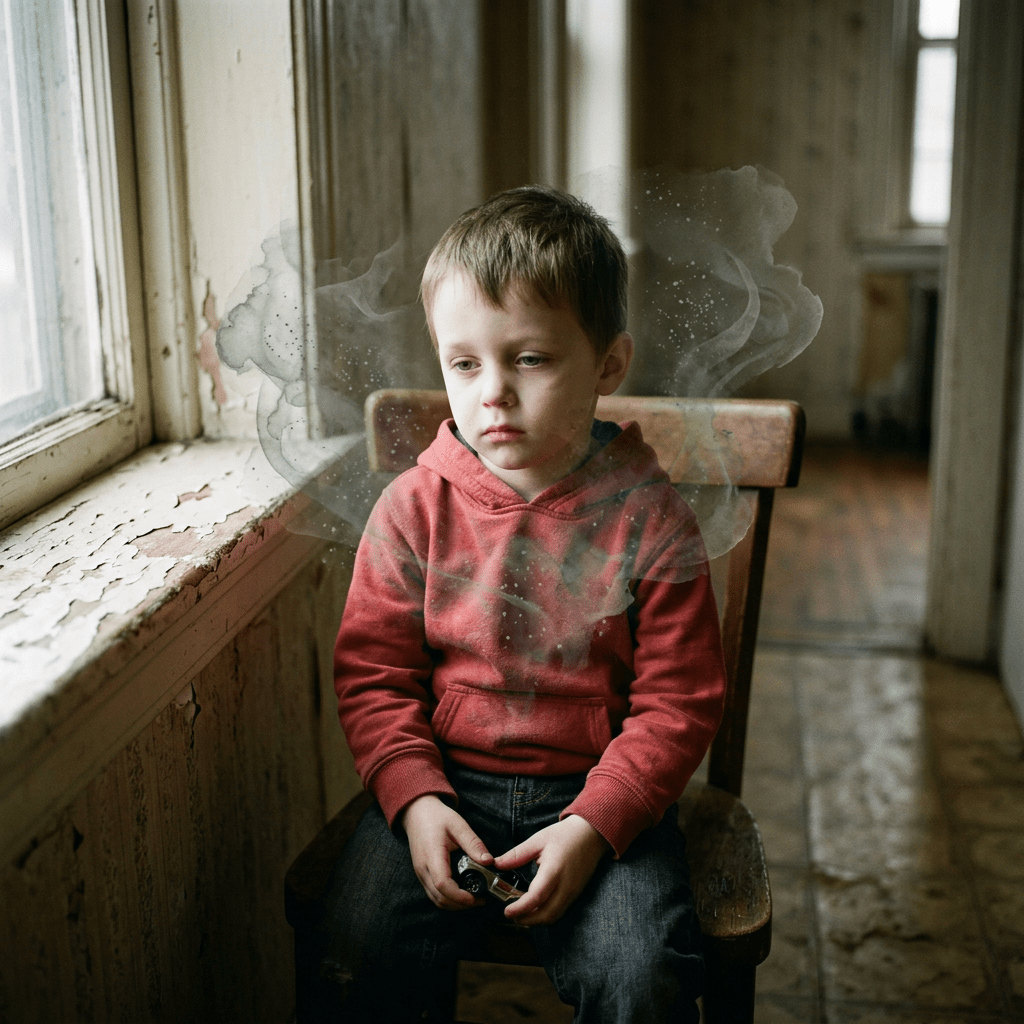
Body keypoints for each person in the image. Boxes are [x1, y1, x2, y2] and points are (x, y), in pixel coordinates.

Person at [322, 186, 727, 1023]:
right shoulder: (412, 507)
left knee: (639, 970)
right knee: (358, 944)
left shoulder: (651, 517)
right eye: (464, 363)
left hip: (605, 795)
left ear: (608, 365)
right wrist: (415, 796)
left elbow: (678, 703)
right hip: (443, 783)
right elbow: (374, 673)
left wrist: (594, 826)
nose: (492, 393)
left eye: (530, 359)